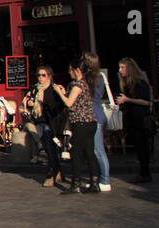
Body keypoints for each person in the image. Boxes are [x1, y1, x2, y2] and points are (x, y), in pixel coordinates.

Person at [54, 60, 98, 193]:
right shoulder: (87, 83)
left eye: (70, 69)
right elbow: (77, 100)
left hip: (80, 122)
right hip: (90, 122)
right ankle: (94, 182)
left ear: (77, 70)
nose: (69, 72)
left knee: (76, 153)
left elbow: (69, 103)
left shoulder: (78, 85)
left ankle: (76, 184)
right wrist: (65, 92)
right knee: (90, 153)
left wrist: (59, 92)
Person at [27, 66, 68, 187]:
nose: (40, 78)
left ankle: (51, 174)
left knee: (50, 149)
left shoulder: (54, 89)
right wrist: (30, 103)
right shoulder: (35, 89)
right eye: (39, 75)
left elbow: (61, 106)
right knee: (49, 149)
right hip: (40, 121)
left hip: (52, 122)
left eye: (43, 75)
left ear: (49, 76)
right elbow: (30, 102)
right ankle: (58, 171)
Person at [115, 57, 154, 183]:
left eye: (122, 67)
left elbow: (146, 101)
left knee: (142, 146)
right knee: (139, 147)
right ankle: (143, 173)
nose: (120, 70)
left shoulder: (140, 83)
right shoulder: (127, 83)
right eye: (119, 67)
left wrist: (127, 100)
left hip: (141, 119)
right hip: (133, 119)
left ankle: (145, 173)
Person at [81, 53, 113, 192]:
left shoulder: (90, 78)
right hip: (98, 114)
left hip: (93, 116)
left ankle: (105, 180)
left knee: (98, 150)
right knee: (95, 150)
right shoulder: (99, 76)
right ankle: (98, 178)